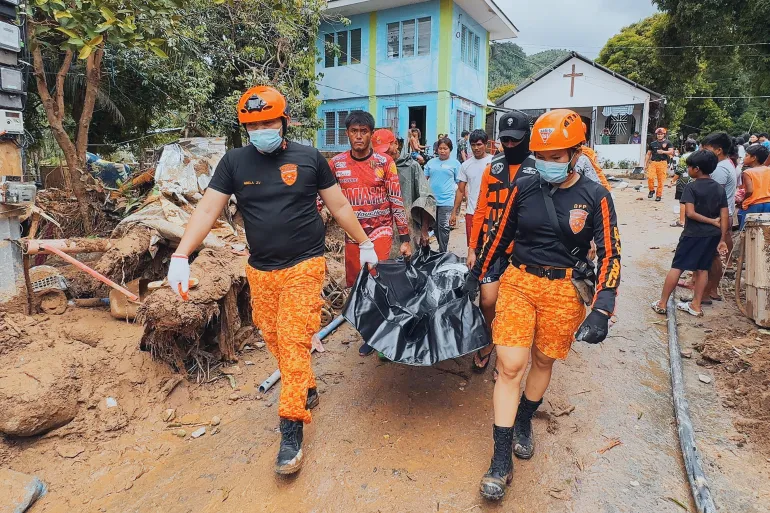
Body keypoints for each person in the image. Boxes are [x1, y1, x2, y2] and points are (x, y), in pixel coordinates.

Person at [167, 86, 377, 475]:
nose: (260, 130)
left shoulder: (310, 158)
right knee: (275, 337)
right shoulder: (234, 162)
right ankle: (306, 387)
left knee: (294, 339)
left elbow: (338, 205)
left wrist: (364, 242)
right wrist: (181, 254)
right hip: (261, 269)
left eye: (267, 122)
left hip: (305, 264)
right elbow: (208, 209)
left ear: (284, 121)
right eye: (252, 125)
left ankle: (291, 430)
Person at [464, 109, 621, 501]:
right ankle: (500, 460)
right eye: (542, 156)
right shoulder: (524, 186)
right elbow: (500, 236)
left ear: (575, 153)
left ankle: (524, 419)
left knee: (543, 360)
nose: (548, 163)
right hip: (519, 282)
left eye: (557, 156)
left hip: (565, 291)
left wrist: (603, 307)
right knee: (510, 365)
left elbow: (611, 253)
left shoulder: (596, 196)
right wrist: (478, 272)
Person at [467, 112, 537, 375]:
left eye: (515, 140)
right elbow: (481, 209)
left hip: (524, 248)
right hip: (492, 247)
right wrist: (472, 247)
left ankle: (505, 354)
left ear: (526, 138)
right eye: (505, 140)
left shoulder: (538, 168)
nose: (509, 145)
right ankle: (489, 338)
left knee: (514, 304)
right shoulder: (492, 169)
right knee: (487, 300)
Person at [330, 110, 411, 291]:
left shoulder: (385, 162)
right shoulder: (336, 163)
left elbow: (396, 200)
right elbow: (321, 197)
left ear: (371, 134)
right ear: (347, 133)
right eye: (354, 131)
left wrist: (405, 238)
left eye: (364, 131)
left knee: (377, 281)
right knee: (355, 284)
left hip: (380, 230)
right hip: (352, 233)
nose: (358, 136)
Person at [652, 150, 729, 317]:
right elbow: (724, 215)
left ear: (697, 169)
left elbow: (690, 213)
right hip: (713, 236)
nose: (688, 170)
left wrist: (710, 221)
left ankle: (662, 303)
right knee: (703, 269)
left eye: (689, 167)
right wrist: (722, 238)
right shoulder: (719, 189)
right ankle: (696, 305)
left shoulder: (691, 187)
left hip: (693, 234)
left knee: (677, 267)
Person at [372, 128, 436, 251]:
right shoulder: (374, 167)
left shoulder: (411, 166)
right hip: (381, 229)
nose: (384, 156)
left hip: (408, 227)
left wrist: (424, 230)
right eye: (379, 153)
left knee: (408, 259)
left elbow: (426, 198)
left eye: (386, 151)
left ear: (396, 144)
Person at [700, 132, 737, 303]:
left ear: (718, 150)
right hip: (722, 215)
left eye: (706, 149)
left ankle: (707, 292)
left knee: (711, 256)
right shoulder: (726, 164)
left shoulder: (720, 169)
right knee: (713, 255)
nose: (703, 152)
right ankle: (710, 290)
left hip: (716, 217)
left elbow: (714, 197)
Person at [453, 129, 492, 246]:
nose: (476, 148)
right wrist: (454, 212)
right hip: (472, 212)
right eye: (473, 145)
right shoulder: (465, 165)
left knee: (490, 247)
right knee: (472, 247)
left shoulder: (494, 162)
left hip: (491, 212)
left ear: (486, 144)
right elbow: (460, 190)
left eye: (479, 144)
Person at [424, 137, 461, 252]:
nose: (442, 151)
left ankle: (443, 252)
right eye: (440, 148)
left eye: (445, 148)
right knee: (434, 226)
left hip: (447, 200)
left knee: (444, 226)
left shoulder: (455, 164)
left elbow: (460, 184)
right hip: (432, 201)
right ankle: (441, 249)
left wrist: (457, 206)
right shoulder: (430, 163)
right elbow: (424, 180)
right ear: (437, 149)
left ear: (450, 150)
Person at [738, 143, 770, 228]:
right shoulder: (768, 170)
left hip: (753, 204)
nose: (744, 157)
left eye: (746, 155)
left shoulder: (748, 172)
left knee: (748, 230)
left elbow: (749, 191)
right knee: (765, 230)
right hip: (768, 203)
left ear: (753, 158)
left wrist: (742, 200)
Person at [671, 139, 698, 227]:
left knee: (683, 201)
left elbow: (680, 170)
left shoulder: (684, 157)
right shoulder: (698, 155)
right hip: (695, 180)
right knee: (694, 201)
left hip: (684, 181)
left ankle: (682, 221)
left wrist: (672, 181)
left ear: (685, 147)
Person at [645, 127, 674, 201]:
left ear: (664, 134)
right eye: (658, 134)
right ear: (656, 135)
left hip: (662, 163)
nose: (659, 135)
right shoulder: (652, 143)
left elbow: (671, 152)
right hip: (653, 162)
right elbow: (648, 154)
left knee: (661, 180)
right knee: (650, 177)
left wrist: (663, 152)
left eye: (661, 134)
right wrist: (645, 164)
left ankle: (658, 195)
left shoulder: (668, 143)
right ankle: (651, 190)